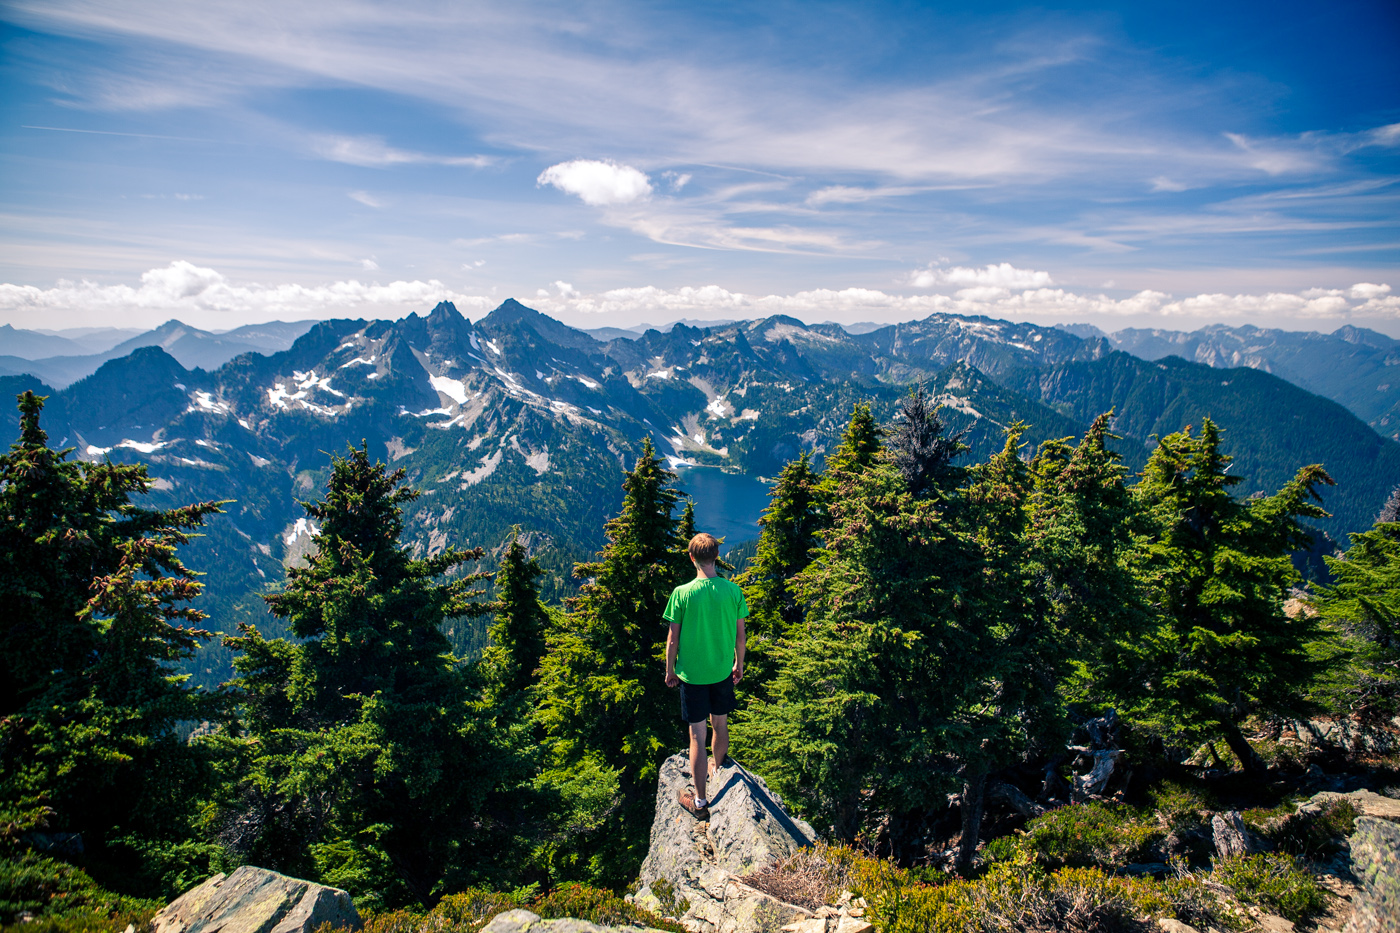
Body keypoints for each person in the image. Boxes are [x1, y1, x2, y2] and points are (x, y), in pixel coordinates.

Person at [664, 532, 748, 817]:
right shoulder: (733, 591)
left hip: (693, 676)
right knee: (720, 724)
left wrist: (670, 670)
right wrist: (739, 664)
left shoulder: (682, 593)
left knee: (696, 736)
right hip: (722, 672)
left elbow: (673, 639)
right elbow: (741, 636)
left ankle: (700, 802)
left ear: (692, 558)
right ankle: (718, 765)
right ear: (716, 557)